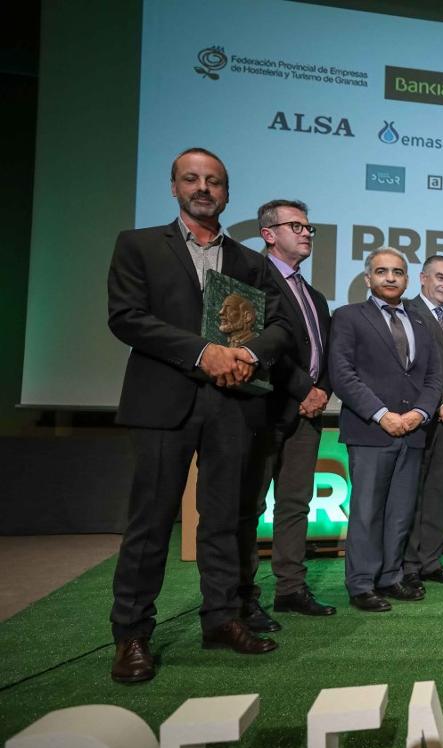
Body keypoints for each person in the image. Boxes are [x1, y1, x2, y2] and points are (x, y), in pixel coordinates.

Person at [107, 148, 293, 683]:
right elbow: (126, 318)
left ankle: (222, 619)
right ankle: (132, 634)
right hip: (165, 400)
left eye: (214, 181)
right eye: (192, 179)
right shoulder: (139, 245)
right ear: (174, 188)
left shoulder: (250, 261)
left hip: (233, 403)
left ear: (227, 194)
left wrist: (248, 355)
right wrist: (201, 352)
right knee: (150, 523)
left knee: (227, 521)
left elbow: (280, 325)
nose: (203, 188)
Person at [237, 199, 334, 628]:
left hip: (308, 416)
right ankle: (241, 598)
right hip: (263, 410)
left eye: (309, 227)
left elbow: (325, 352)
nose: (307, 232)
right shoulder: (252, 279)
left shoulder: (313, 295)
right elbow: (259, 343)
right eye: (296, 225)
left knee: (295, 504)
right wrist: (304, 389)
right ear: (269, 234)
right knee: (250, 507)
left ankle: (291, 589)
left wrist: (323, 391)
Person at [328, 247, 441, 611]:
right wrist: (381, 414)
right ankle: (361, 584)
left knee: (399, 513)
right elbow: (342, 374)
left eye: (397, 272)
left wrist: (420, 414)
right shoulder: (347, 317)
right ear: (368, 278)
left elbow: (433, 377)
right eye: (382, 272)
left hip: (412, 432)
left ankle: (391, 577)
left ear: (407, 279)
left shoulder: (421, 323)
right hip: (370, 431)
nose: (390, 278)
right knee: (366, 512)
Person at [401, 255, 443, 588]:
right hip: (419, 417)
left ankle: (431, 560)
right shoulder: (405, 312)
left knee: (440, 495)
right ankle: (409, 565)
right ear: (422, 278)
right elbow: (406, 367)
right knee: (411, 495)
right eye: (440, 277)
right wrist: (438, 402)